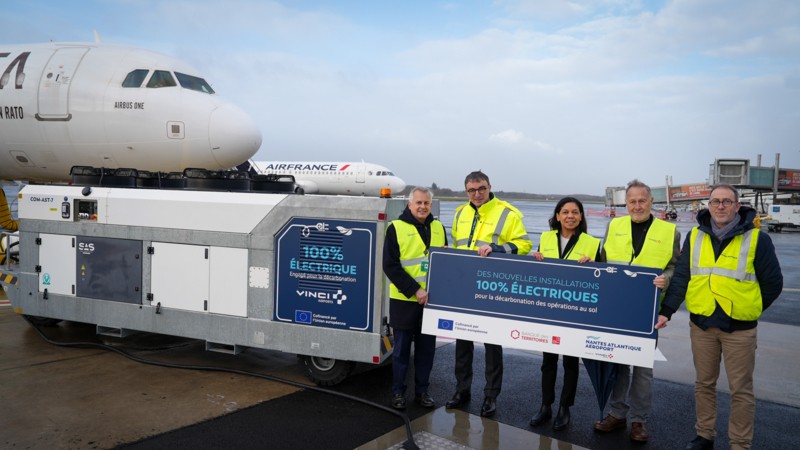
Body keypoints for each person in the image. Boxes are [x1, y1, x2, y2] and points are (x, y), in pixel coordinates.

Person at [656, 184, 782, 450]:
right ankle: (704, 435)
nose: (721, 206)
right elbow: (682, 278)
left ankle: (739, 443)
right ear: (708, 206)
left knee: (741, 391)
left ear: (737, 206)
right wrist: (666, 311)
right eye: (715, 202)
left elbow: (773, 284)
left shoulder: (757, 239)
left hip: (740, 329)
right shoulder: (695, 236)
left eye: (726, 201)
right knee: (703, 384)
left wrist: (749, 309)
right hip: (702, 325)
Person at [594, 179, 680, 443]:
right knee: (617, 363)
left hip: (646, 309)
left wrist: (666, 278)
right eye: (632, 201)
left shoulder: (670, 231)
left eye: (642, 200)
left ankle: (639, 420)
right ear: (626, 203)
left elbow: (675, 266)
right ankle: (617, 414)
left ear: (651, 202)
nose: (637, 205)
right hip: (617, 306)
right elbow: (602, 260)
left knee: (643, 368)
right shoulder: (614, 225)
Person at [445, 170, 532, 417]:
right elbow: (456, 246)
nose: (477, 194)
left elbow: (524, 245)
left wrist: (495, 249)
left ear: (489, 186)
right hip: (464, 287)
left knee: (493, 344)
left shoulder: (508, 212)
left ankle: (491, 396)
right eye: (472, 190)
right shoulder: (460, 212)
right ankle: (462, 391)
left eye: (481, 188)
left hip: (493, 287)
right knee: (462, 342)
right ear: (466, 191)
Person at [528, 197, 602, 431]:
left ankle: (564, 407)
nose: (570, 216)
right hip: (549, 310)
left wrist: (593, 265)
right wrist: (535, 257)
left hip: (574, 312)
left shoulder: (592, 243)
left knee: (571, 363)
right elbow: (539, 271)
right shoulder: (546, 237)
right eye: (565, 212)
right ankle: (545, 405)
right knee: (548, 361)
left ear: (581, 217)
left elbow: (602, 279)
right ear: (558, 216)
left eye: (575, 212)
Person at [382, 186, 447, 410]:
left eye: (426, 203)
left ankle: (422, 392)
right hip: (404, 301)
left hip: (430, 302)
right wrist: (415, 290)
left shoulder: (438, 227)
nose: (422, 207)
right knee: (400, 352)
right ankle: (398, 393)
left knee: (426, 351)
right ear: (409, 204)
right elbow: (390, 266)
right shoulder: (395, 228)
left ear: (430, 205)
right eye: (418, 203)